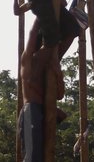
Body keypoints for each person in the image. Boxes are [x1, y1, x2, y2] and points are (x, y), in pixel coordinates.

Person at [18, 20, 67, 162]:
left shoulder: (50, 67)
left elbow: (59, 95)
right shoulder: (28, 60)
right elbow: (33, 34)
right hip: (32, 110)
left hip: (46, 112)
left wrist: (58, 74)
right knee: (33, 156)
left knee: (44, 154)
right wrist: (42, 15)